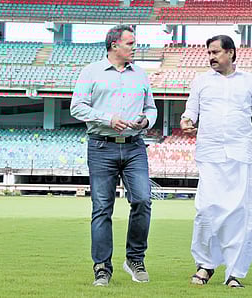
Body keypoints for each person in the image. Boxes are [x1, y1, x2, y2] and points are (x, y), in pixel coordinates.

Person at [180, 35, 252, 288]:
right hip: (209, 154)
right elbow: (191, 110)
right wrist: (186, 121)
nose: (211, 57)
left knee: (240, 214)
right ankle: (205, 265)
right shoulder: (201, 81)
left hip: (239, 154)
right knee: (205, 211)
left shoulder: (250, 81)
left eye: (216, 52)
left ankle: (234, 272)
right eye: (209, 53)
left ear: (231, 53)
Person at [70, 24, 157, 287]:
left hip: (134, 146)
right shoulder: (91, 72)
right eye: (130, 43)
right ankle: (102, 267)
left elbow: (151, 108)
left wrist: (145, 121)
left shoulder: (141, 74)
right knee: (102, 209)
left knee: (142, 200)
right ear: (114, 45)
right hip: (101, 147)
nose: (135, 48)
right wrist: (108, 118)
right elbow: (77, 107)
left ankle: (135, 258)